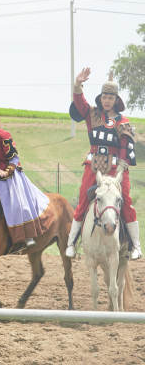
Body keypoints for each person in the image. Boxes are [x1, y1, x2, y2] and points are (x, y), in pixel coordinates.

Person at [67, 68, 139, 259]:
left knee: (126, 201)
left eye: (111, 97)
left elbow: (125, 147)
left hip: (116, 168)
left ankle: (135, 245)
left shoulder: (123, 122)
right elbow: (80, 103)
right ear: (101, 98)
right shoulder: (92, 114)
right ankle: (72, 243)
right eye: (105, 97)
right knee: (83, 200)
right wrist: (78, 85)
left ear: (116, 100)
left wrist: (121, 169)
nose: (107, 100)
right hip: (93, 165)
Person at [0, 92, 48, 249]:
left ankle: (27, 236)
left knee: (17, 206)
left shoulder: (3, 135)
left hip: (9, 175)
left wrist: (6, 172)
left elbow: (14, 159)